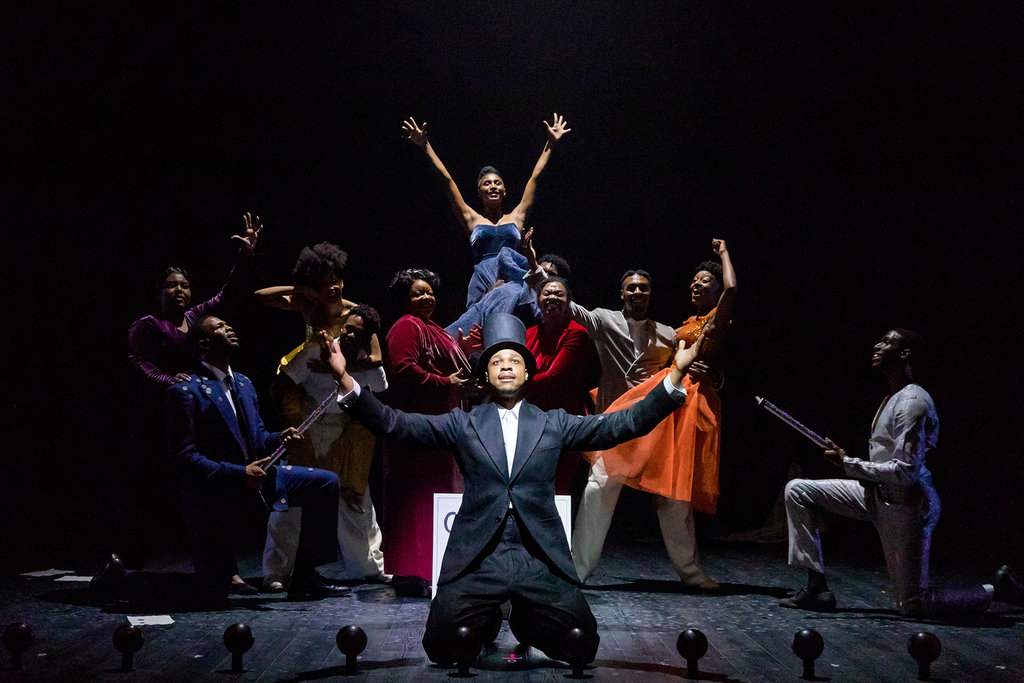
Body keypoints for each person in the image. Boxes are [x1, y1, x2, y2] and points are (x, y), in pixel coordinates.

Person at [318, 312, 701, 666]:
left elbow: (623, 424)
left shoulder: (555, 423)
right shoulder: (462, 423)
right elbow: (394, 423)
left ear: (527, 373)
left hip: (539, 557)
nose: (505, 367)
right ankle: (486, 620)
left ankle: (525, 620)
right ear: (485, 374)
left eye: (514, 361)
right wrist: (345, 381)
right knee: (443, 646)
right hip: (478, 557)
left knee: (581, 644)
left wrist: (674, 378)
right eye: (497, 361)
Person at [780, 328, 1024, 615]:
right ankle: (816, 588)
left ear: (905, 353)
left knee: (912, 604)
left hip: (906, 506)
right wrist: (854, 467)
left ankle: (997, 591)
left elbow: (906, 471)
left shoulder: (912, 402)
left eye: (886, 342)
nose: (877, 345)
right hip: (875, 495)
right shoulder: (893, 397)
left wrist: (849, 464)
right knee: (798, 490)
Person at [574, 240, 736, 590]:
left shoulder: (667, 333)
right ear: (622, 294)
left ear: (651, 295)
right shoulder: (605, 321)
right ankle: (577, 570)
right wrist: (541, 278)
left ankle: (691, 572)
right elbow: (572, 311)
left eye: (644, 289)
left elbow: (693, 370)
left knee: (674, 494)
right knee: (599, 485)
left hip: (655, 420)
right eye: (632, 288)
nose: (638, 293)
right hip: (616, 421)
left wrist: (717, 377)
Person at [164, 315, 346, 601]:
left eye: (228, 324)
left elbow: (258, 436)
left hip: (257, 479)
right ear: (204, 343)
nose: (230, 327)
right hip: (223, 487)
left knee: (325, 483)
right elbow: (185, 457)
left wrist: (279, 437)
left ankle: (305, 574)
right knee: (210, 591)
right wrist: (238, 473)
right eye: (220, 328)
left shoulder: (245, 384)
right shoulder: (186, 391)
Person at [123, 213, 262, 576]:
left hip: (194, 422)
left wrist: (244, 257)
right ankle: (129, 570)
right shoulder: (149, 326)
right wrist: (172, 382)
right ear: (160, 291)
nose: (179, 290)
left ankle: (217, 567)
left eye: (184, 284)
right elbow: (138, 364)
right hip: (157, 424)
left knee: (207, 497)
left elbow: (228, 295)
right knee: (151, 497)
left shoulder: (199, 317)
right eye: (171, 285)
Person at [401, 114, 570, 335]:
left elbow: (535, 177)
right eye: (487, 183)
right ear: (480, 193)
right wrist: (426, 146)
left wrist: (551, 143)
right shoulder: (472, 219)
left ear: (504, 190)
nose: (493, 186)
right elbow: (447, 180)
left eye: (497, 183)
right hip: (483, 277)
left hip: (514, 275)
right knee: (478, 329)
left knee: (512, 318)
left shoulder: (516, 216)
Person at [261, 305, 389, 591]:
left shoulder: (370, 363)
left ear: (368, 336)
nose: (351, 333)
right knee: (290, 499)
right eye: (348, 327)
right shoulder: (314, 352)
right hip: (308, 428)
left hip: (345, 433)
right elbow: (279, 386)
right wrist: (287, 424)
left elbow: (380, 393)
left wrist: (358, 367)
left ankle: (368, 568)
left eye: (359, 331)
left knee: (356, 498)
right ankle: (276, 572)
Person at [381, 268, 473, 582]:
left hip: (440, 428)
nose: (426, 297)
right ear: (404, 300)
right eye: (418, 293)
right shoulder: (406, 327)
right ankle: (412, 572)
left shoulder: (433, 327)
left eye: (429, 291)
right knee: (417, 497)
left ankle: (435, 569)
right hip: (418, 429)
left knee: (438, 495)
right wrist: (445, 381)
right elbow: (404, 370)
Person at [524, 276, 597, 502]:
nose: (552, 297)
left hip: (564, 421)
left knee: (558, 490)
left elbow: (555, 378)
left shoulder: (576, 333)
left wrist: (513, 385)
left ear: (568, 302)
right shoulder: (528, 333)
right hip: (532, 420)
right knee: (531, 486)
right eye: (547, 293)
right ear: (538, 300)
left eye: (559, 294)